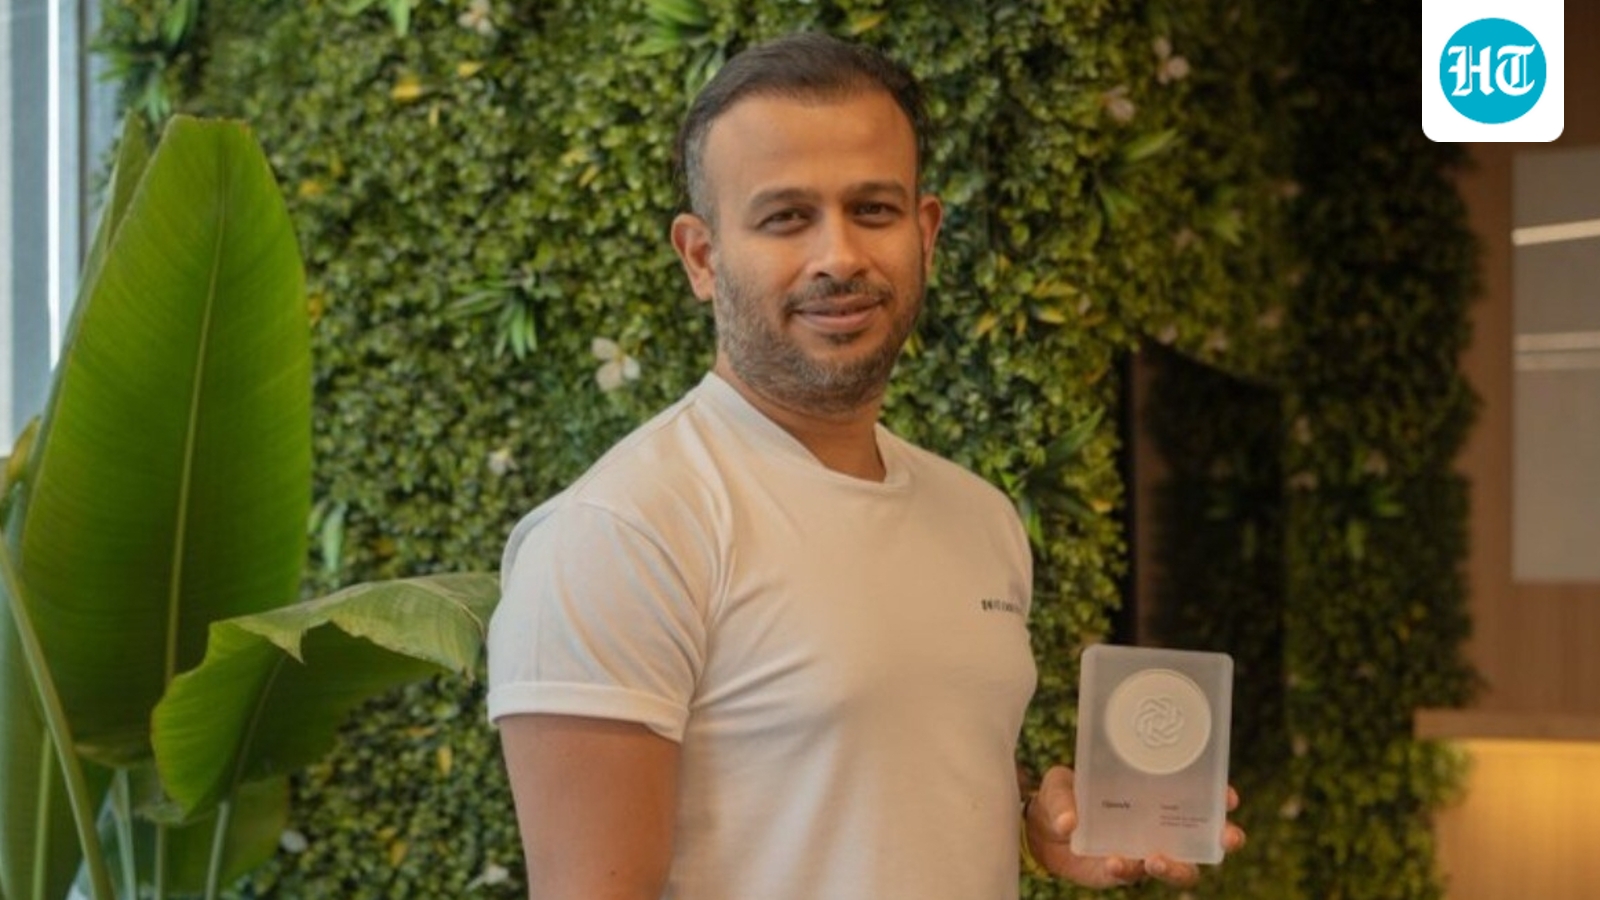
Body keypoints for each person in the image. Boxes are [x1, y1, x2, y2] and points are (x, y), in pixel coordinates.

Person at [486, 31, 1245, 900]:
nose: (839, 257)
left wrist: (1033, 822)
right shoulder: (620, 534)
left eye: (873, 209)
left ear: (926, 232)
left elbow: (879, 787)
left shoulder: (981, 517)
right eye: (786, 217)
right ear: (701, 257)